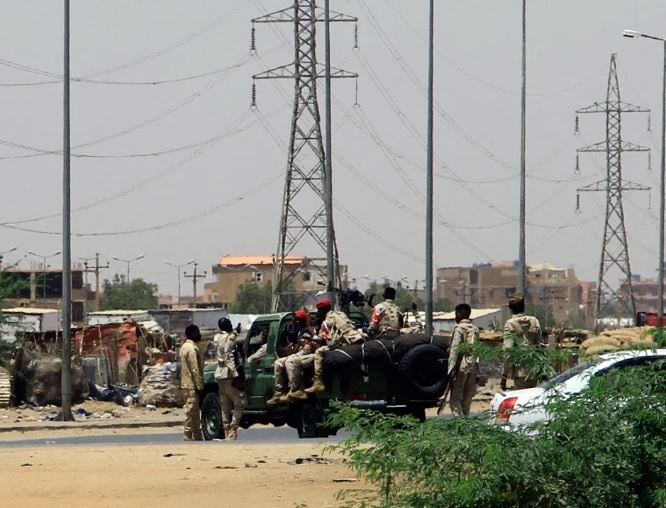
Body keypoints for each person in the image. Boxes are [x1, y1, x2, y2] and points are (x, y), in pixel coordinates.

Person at [304, 299, 361, 394]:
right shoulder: (340, 314)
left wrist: (312, 338)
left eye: (319, 311)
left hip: (341, 345)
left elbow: (323, 339)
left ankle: (318, 381)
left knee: (319, 352)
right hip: (352, 341)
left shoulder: (327, 321)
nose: (318, 313)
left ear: (323, 311)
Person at [501, 293, 545, 390]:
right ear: (523, 307)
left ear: (510, 308)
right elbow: (541, 346)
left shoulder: (510, 324)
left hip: (520, 370)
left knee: (521, 400)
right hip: (534, 369)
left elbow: (507, 351)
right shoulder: (534, 321)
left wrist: (504, 374)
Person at [214, 317, 246, 440]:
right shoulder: (229, 340)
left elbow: (228, 337)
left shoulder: (217, 338)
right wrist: (236, 376)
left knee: (225, 405)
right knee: (240, 402)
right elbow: (229, 357)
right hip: (228, 373)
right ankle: (233, 429)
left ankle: (227, 431)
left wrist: (235, 332)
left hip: (219, 373)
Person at [447, 303, 480, 417]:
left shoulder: (459, 329)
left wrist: (450, 370)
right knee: (466, 400)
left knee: (455, 401)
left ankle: (461, 425)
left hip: (461, 367)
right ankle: (465, 423)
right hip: (473, 367)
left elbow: (455, 350)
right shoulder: (475, 329)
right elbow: (477, 350)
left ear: (460, 314)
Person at [179, 324, 204, 441]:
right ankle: (188, 434)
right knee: (190, 410)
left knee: (194, 412)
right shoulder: (192, 349)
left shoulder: (183, 347)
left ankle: (198, 436)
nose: (199, 334)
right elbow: (195, 369)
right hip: (191, 385)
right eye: (197, 332)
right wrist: (199, 385)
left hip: (185, 384)